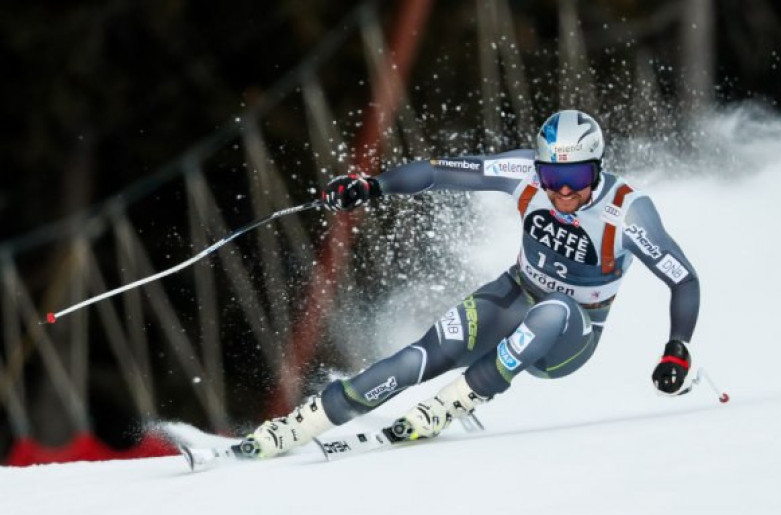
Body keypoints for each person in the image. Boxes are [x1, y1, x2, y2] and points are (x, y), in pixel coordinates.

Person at [240, 109, 700, 458]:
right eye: (552, 177)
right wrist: (373, 186)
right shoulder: (524, 174)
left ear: (597, 167)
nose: (562, 191)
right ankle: (303, 423)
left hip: (570, 336)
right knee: (421, 356)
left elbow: (683, 280)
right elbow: (440, 172)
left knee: (554, 310)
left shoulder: (628, 212)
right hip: (514, 295)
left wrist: (676, 348)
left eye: (575, 177)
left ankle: (456, 400)